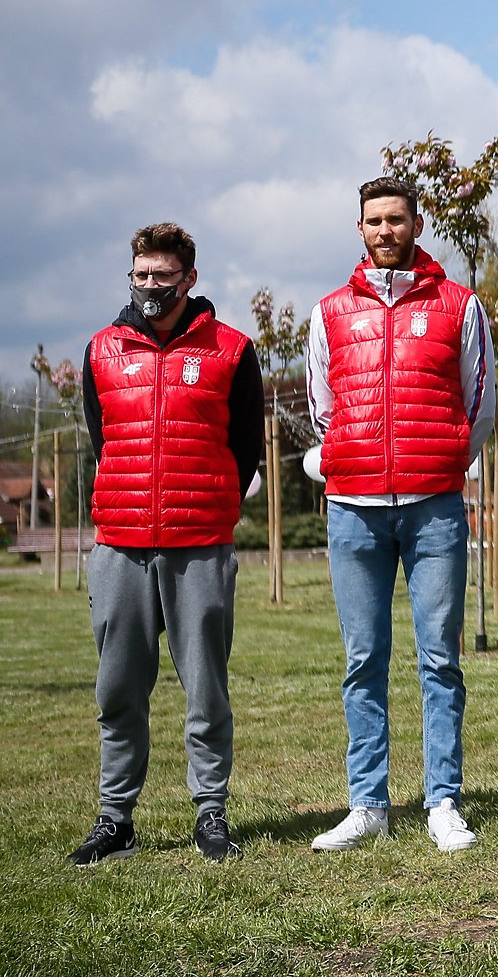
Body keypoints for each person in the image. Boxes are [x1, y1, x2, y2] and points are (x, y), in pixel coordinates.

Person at [307, 178, 495, 853]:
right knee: (363, 658)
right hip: (353, 509)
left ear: (416, 223)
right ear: (360, 229)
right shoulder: (329, 312)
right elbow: (322, 408)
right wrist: (358, 459)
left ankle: (443, 800)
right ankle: (369, 803)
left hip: (434, 507)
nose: (385, 230)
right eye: (373, 220)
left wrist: (440, 460)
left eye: (396, 219)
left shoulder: (459, 305)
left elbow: (480, 404)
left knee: (439, 658)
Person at [67, 224, 263, 866]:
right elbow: (105, 442)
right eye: (141, 275)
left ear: (190, 279)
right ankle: (115, 817)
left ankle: (211, 813)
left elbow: (246, 449)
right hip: (120, 543)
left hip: (199, 542)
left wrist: (209, 504)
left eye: (163, 275)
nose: (151, 286)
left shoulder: (232, 349)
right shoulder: (102, 349)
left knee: (205, 687)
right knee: (118, 688)